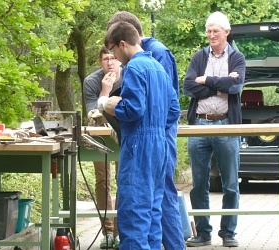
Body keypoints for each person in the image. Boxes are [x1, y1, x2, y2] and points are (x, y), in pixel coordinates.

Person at [99, 20, 180, 249]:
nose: (113, 58)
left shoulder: (134, 68)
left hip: (138, 147)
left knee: (134, 216)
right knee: (153, 217)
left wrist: (109, 104)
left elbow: (133, 109)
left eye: (113, 51)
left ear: (122, 44)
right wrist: (154, 126)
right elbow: (173, 110)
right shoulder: (158, 67)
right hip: (159, 147)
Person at [183, 11, 246, 248]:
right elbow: (188, 87)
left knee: (230, 183)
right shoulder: (199, 57)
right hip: (199, 124)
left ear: (226, 32)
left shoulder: (237, 58)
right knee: (199, 184)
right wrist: (219, 83)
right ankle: (203, 233)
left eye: (215, 31)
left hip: (226, 125)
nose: (211, 35)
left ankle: (228, 233)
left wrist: (206, 80)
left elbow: (236, 85)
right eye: (208, 31)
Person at [82, 45, 122, 249]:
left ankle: (119, 230)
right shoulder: (91, 81)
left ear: (120, 60)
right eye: (106, 58)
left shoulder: (128, 77)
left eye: (114, 58)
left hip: (123, 133)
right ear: (100, 62)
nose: (110, 62)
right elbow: (92, 114)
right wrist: (106, 94)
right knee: (102, 180)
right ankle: (106, 230)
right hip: (100, 134)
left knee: (122, 178)